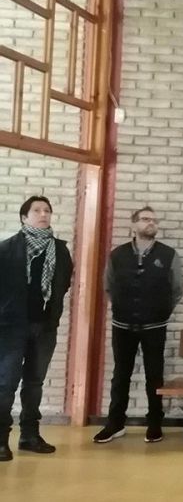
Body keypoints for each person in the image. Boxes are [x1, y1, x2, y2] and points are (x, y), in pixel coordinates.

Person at [94, 206, 183, 444]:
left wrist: (160, 311)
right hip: (123, 325)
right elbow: (108, 286)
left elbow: (176, 290)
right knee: (121, 375)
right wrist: (123, 307)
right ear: (134, 224)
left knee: (154, 375)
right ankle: (115, 423)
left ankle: (155, 423)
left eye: (154, 220)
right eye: (145, 219)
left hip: (155, 325)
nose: (151, 223)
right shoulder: (117, 254)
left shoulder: (168, 255)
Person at [0, 196, 73, 461]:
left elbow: (63, 284)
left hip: (44, 327)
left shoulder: (60, 251)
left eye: (47, 210)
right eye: (37, 210)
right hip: (10, 327)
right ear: (24, 217)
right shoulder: (6, 249)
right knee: (6, 383)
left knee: (34, 383)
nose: (43, 214)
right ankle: (0, 439)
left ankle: (29, 435)